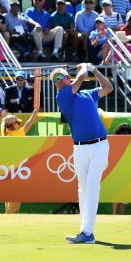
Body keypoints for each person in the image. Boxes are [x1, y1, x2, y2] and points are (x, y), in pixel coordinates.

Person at [51, 63, 113, 244]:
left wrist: (94, 70)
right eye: (54, 79)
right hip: (79, 148)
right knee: (83, 189)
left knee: (93, 187)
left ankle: (87, 233)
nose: (57, 81)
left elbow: (108, 88)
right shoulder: (62, 96)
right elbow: (81, 77)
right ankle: (84, 230)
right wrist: (85, 67)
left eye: (59, 77)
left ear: (67, 78)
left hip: (100, 146)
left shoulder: (88, 94)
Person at [2, 108, 40, 213]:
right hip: (15, 167)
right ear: (13, 125)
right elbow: (28, 125)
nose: (18, 124)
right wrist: (34, 114)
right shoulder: (17, 134)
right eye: (17, 123)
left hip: (6, 167)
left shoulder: (4, 132)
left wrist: (4, 116)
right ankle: (12, 214)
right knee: (15, 192)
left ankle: (8, 213)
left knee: (8, 194)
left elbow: (4, 122)